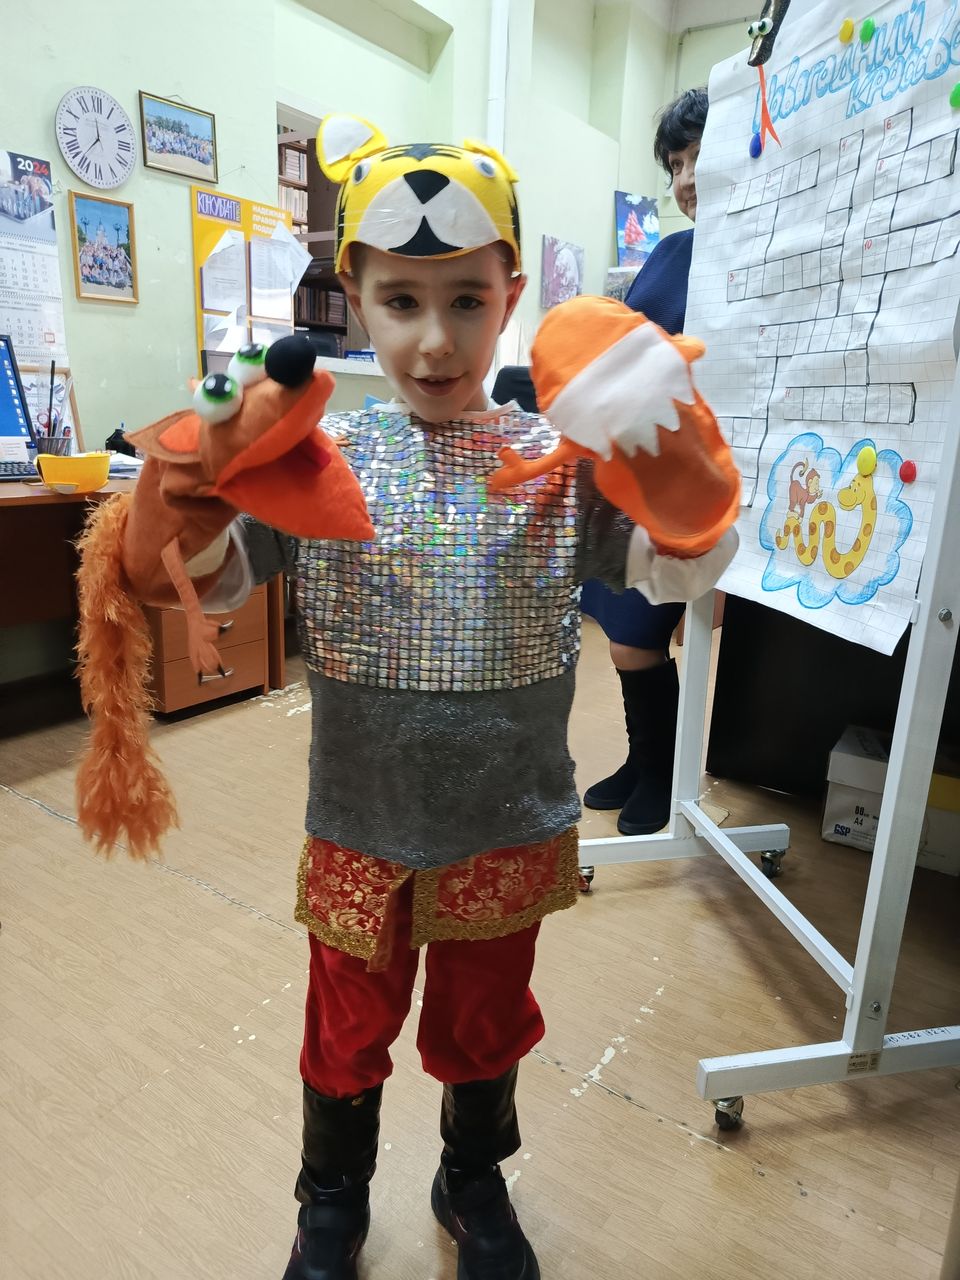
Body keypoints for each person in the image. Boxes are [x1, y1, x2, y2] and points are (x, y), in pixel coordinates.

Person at [161, 114, 733, 1280]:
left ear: (510, 296)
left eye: (467, 300)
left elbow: (679, 568)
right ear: (355, 301)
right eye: (402, 301)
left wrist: (668, 452)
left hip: (505, 819)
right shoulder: (317, 459)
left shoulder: (556, 464)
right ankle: (331, 1197)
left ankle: (470, 1176)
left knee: (484, 1021)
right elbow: (211, 584)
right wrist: (197, 486)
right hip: (362, 819)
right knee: (346, 1025)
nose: (435, 338)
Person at [580, 86, 709, 837]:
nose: (684, 179)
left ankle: (665, 772)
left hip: (691, 483)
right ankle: (644, 761)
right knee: (621, 631)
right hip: (632, 468)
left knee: (639, 633)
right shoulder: (670, 250)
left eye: (696, 157)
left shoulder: (760, 264)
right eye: (674, 165)